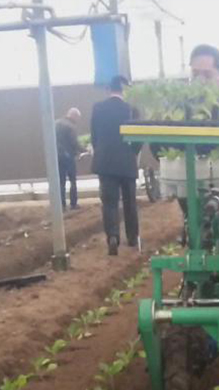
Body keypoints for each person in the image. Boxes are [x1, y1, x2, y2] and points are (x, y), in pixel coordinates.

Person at [91, 75, 142, 256]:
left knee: (109, 203)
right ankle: (133, 236)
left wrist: (101, 152)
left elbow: (94, 136)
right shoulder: (131, 110)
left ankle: (112, 237)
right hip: (127, 162)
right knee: (130, 202)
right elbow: (138, 139)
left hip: (105, 163)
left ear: (108, 90)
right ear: (124, 91)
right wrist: (132, 154)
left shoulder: (98, 109)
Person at [55, 107, 82, 210]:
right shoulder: (70, 126)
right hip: (68, 156)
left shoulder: (56, 123)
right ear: (74, 116)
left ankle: (61, 205)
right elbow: (74, 143)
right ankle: (73, 203)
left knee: (61, 182)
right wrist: (84, 150)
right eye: (78, 118)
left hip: (57, 156)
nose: (77, 120)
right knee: (72, 180)